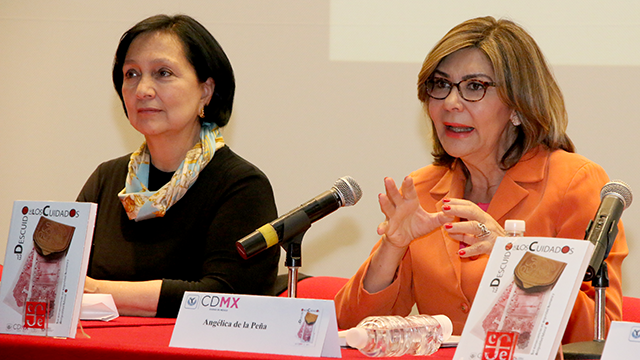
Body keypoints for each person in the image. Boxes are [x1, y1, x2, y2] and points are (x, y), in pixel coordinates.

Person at [334, 16, 627, 345]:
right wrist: (392, 248)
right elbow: (349, 331)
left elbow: (598, 335)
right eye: (440, 84)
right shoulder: (424, 191)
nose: (450, 103)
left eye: (475, 87)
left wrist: (515, 257)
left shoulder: (573, 183)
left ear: (518, 107)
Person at [78, 14, 280, 317]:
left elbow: (229, 296)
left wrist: (97, 289)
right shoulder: (108, 180)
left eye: (163, 73)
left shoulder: (240, 185)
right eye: (131, 74)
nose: (143, 89)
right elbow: (55, 278)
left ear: (206, 91)